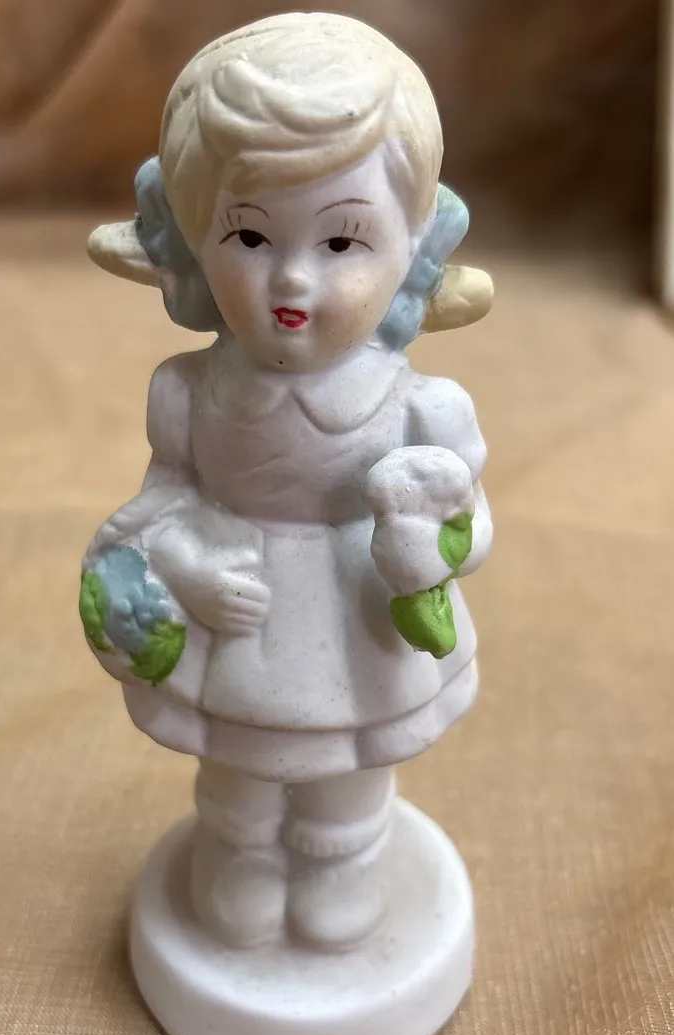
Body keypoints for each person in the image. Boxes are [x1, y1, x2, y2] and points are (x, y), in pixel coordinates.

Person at [82, 11, 494, 952]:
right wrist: (185, 569)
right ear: (194, 239)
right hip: (243, 631)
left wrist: (430, 545)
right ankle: (241, 854)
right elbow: (158, 507)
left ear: (411, 244)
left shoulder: (422, 411)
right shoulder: (188, 393)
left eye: (342, 243)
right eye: (250, 237)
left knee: (350, 778)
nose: (292, 282)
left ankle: (341, 858)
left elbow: (469, 526)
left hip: (358, 629)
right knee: (238, 770)